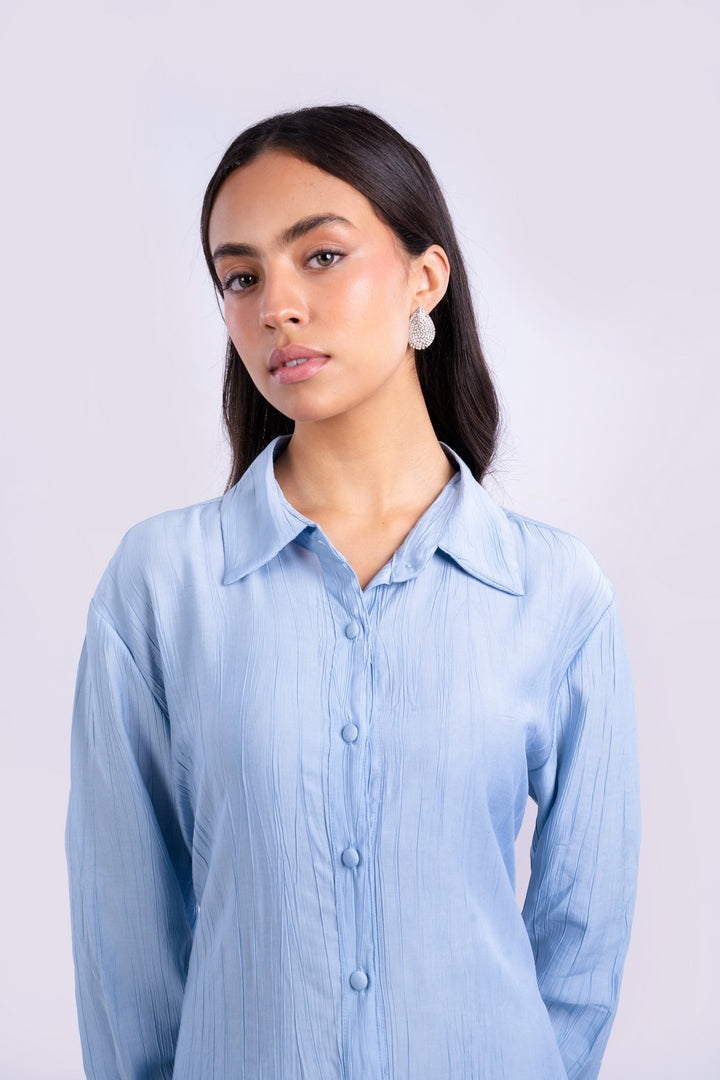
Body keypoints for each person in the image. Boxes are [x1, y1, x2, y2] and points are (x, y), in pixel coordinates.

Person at [66, 104, 640, 1080]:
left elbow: (583, 937)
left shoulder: (553, 593)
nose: (276, 306)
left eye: (321, 257)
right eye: (241, 277)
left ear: (426, 277)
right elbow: (125, 947)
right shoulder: (159, 588)